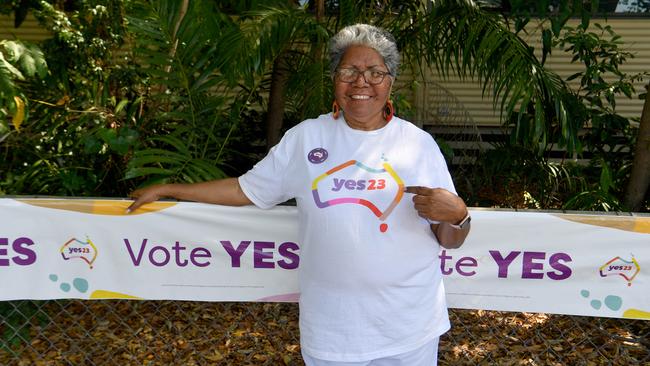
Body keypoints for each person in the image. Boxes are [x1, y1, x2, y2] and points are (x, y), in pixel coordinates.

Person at [128, 23, 470, 366]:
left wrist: (458, 215)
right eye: (348, 71)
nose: (361, 82)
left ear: (390, 81)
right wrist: (171, 188)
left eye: (374, 72)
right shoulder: (306, 139)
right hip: (332, 332)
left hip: (408, 330)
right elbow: (244, 189)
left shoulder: (417, 145)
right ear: (334, 80)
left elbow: (450, 239)